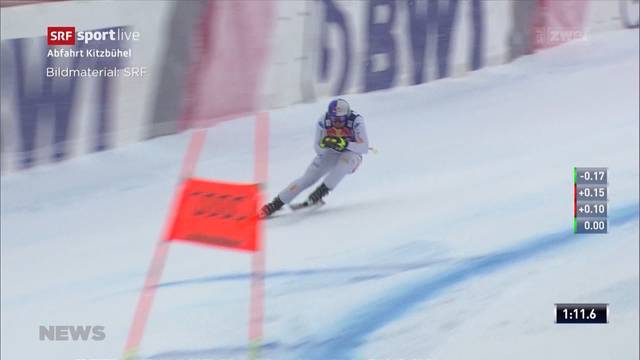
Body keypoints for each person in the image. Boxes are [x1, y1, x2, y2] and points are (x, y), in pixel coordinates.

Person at [260, 98, 369, 218]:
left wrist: (346, 144)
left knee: (343, 164)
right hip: (331, 152)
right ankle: (275, 204)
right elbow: (318, 149)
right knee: (307, 178)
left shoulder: (356, 121)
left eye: (340, 120)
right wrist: (325, 144)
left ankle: (320, 193)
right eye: (334, 119)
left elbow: (364, 147)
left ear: (347, 116)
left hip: (352, 153)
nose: (337, 123)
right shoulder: (323, 121)